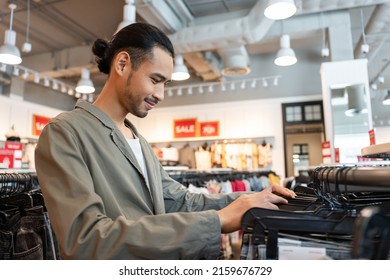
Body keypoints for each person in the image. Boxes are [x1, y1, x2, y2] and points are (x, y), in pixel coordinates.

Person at [34, 22, 296, 260]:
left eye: (166, 84)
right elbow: (85, 239)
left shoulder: (138, 139)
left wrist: (250, 199)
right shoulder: (65, 133)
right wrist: (216, 221)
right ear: (122, 64)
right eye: (155, 80)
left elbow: (179, 200)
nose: (160, 94)